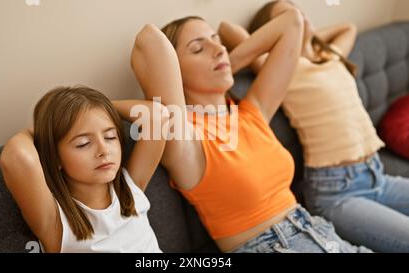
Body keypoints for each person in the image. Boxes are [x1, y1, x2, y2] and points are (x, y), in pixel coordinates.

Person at [131, 10, 370, 252]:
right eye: (197, 49)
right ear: (175, 70)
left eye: (217, 41)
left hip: (319, 232)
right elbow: (148, 41)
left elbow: (292, 22)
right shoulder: (185, 138)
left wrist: (227, 62)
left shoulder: (251, 111)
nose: (218, 49)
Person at [220, 0, 409, 252]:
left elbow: (348, 27)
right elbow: (226, 29)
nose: (298, 17)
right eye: (287, 17)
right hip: (338, 192)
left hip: (377, 175)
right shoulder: (278, 67)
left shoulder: (329, 56)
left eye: (298, 11)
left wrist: (310, 43)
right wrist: (286, 41)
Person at [0, 86, 170, 252]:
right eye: (83, 144)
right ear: (55, 157)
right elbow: (17, 158)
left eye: (110, 137)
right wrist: (48, 127)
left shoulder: (131, 186)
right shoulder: (56, 224)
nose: (103, 150)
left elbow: (158, 116)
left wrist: (93, 107)